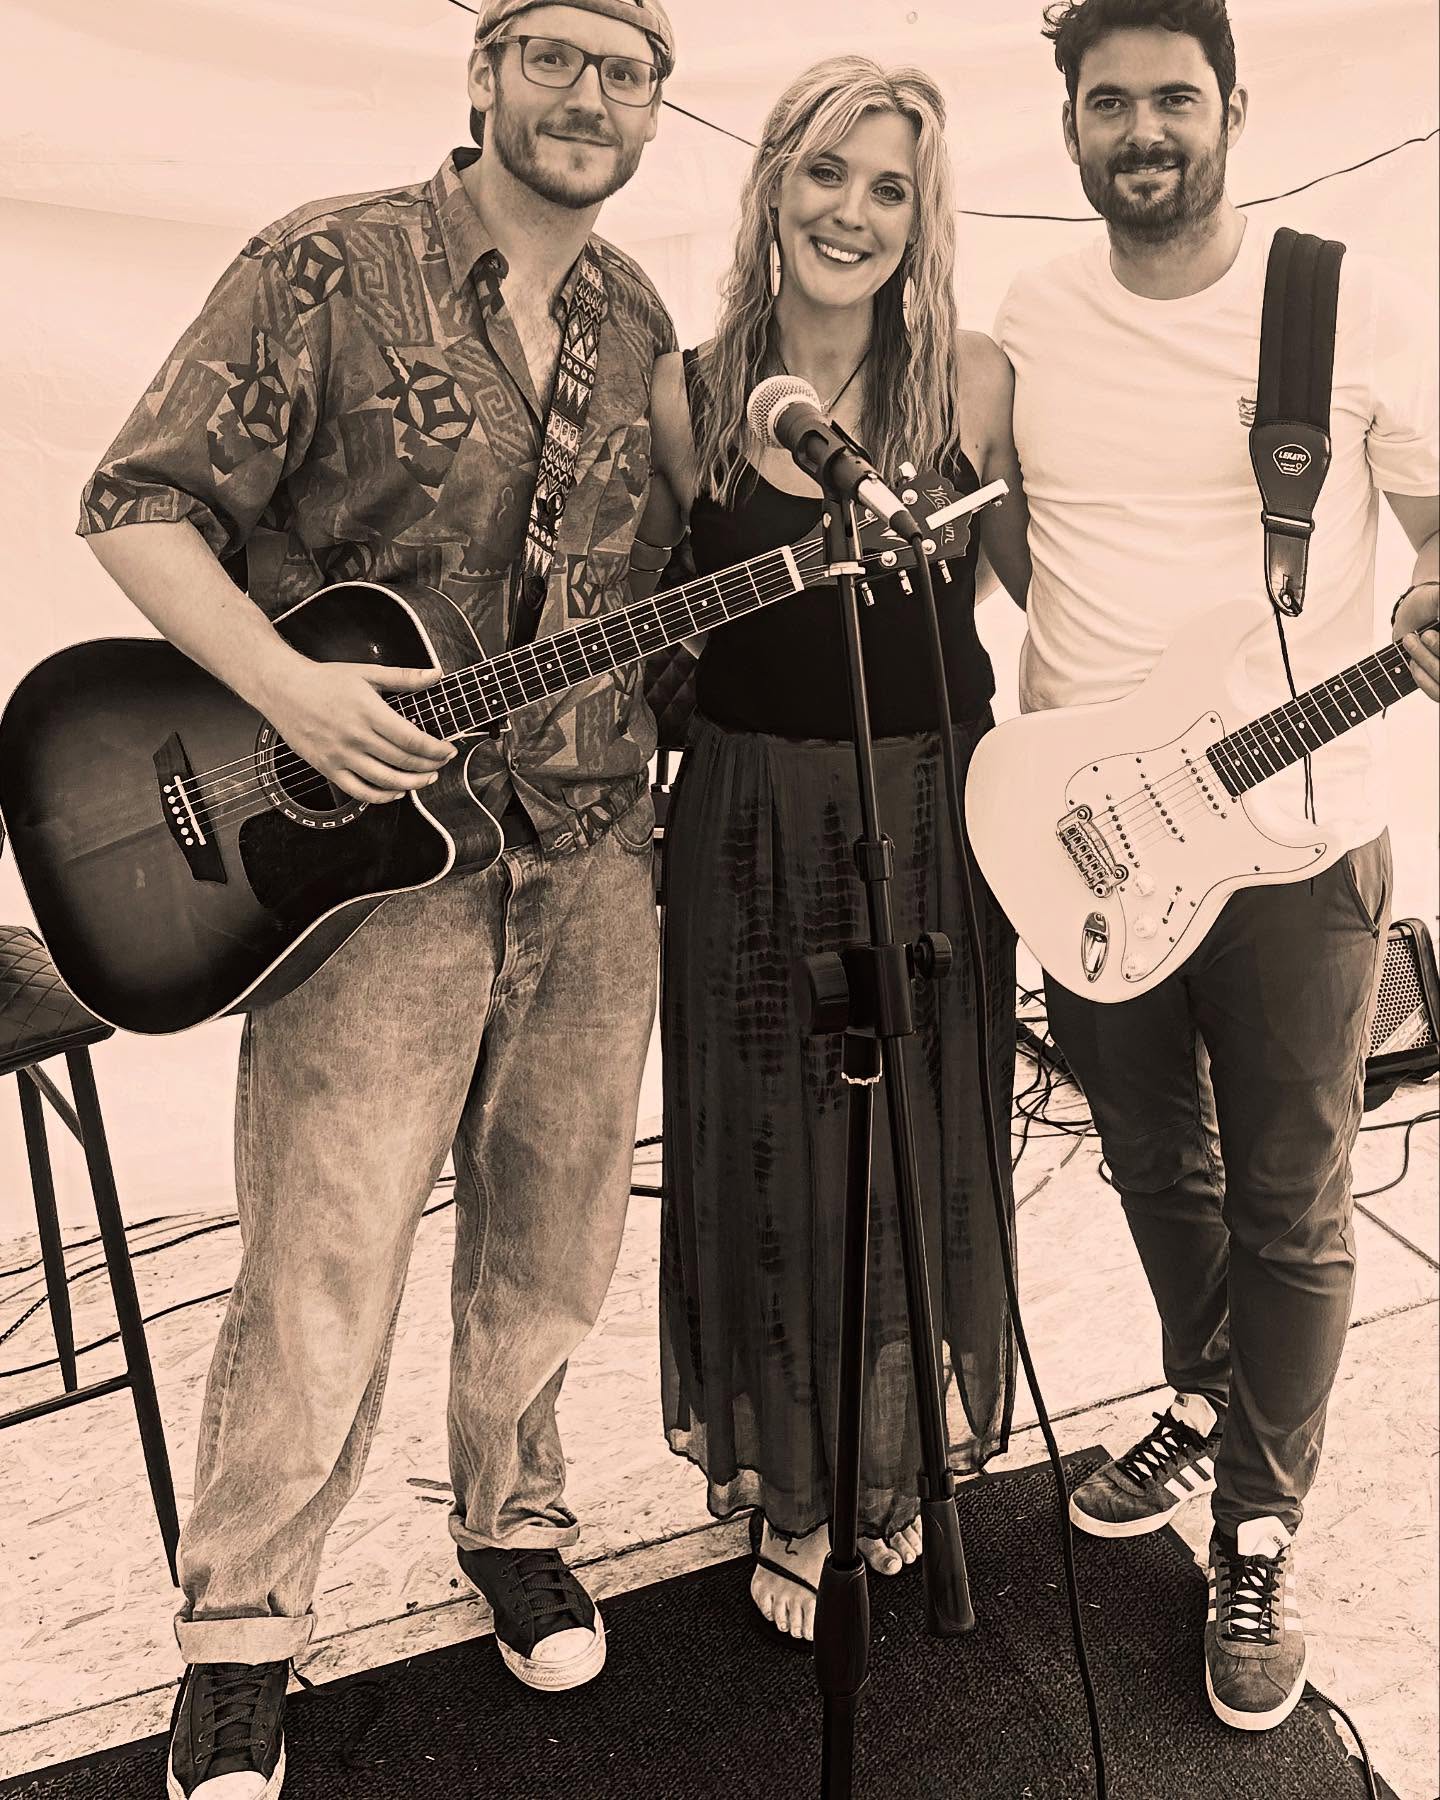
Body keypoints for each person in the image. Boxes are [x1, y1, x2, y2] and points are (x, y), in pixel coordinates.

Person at [76, 2, 678, 1793]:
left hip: (589, 854)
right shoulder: (327, 263)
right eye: (552, 54)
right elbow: (134, 503)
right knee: (321, 1266)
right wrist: (287, 686)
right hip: (362, 870)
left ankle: (512, 1520)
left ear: (658, 106)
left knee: (553, 1243)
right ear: (483, 73)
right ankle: (241, 1633)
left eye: (624, 68)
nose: (586, 95)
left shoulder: (640, 318)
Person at [995, 0, 1439, 1733]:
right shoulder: (1033, 314)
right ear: (1072, 127)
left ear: (1236, 108)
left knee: (1292, 1192)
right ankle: (1205, 1389)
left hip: (1298, 834)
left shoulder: (1342, 299)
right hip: (1090, 838)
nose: (1144, 130)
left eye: (1174, 97)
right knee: (1146, 1157)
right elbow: (1020, 540)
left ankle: (1257, 1522)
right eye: (1109, 102)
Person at [640, 55, 1032, 1642]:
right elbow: (659, 634)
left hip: (935, 808)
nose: (851, 213)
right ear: (772, 187)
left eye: (889, 189)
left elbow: (1044, 592)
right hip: (747, 816)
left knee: (914, 1148)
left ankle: (888, 1468)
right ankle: (796, 1494)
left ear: (923, 221)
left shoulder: (975, 384)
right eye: (825, 172)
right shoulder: (687, 394)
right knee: (771, 1157)